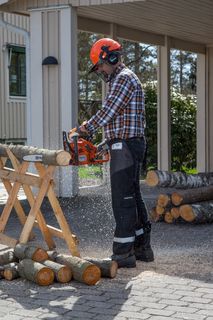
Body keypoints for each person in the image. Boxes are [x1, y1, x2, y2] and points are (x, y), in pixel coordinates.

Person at [72, 38, 154, 268]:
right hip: (125, 143)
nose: (100, 71)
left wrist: (84, 129)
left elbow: (109, 112)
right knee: (133, 196)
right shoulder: (119, 79)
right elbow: (120, 121)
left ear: (111, 57)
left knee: (123, 199)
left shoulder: (124, 78)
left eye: (101, 65)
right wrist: (103, 143)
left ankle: (123, 252)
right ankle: (142, 248)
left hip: (126, 146)